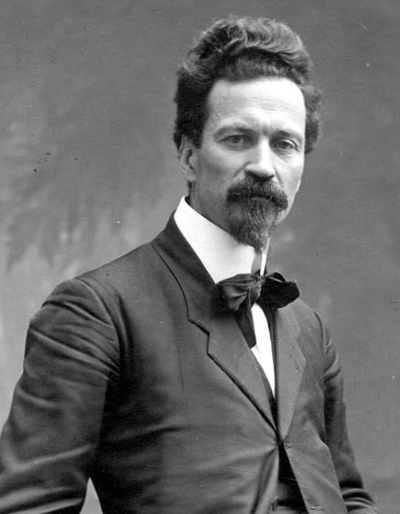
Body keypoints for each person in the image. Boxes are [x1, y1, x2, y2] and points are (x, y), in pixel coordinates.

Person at [0, 16, 377, 514]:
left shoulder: (307, 328)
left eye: (285, 144)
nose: (264, 166)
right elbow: (29, 505)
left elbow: (347, 495)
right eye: (237, 139)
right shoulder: (98, 312)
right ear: (188, 155)